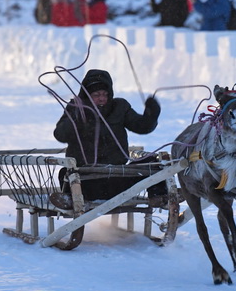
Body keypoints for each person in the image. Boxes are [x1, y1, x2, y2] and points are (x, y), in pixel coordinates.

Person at [53, 69, 162, 200]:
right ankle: (69, 200)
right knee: (65, 173)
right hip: (85, 180)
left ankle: (159, 198)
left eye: (105, 94)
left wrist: (152, 114)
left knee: (153, 163)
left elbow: (142, 126)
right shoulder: (76, 108)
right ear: (87, 95)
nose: (102, 98)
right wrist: (78, 119)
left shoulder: (119, 107)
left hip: (117, 178)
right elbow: (60, 134)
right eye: (97, 94)